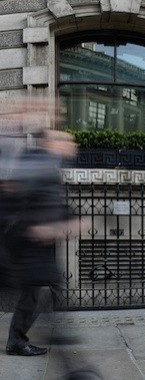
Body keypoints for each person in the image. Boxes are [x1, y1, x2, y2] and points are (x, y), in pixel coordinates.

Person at [3, 130, 79, 356]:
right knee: (34, 294)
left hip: (42, 242)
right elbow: (16, 193)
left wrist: (70, 219)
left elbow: (51, 201)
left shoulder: (49, 164)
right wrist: (36, 227)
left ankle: (51, 332)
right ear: (50, 143)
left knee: (52, 286)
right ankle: (17, 340)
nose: (70, 145)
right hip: (32, 242)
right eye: (64, 140)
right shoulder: (37, 161)